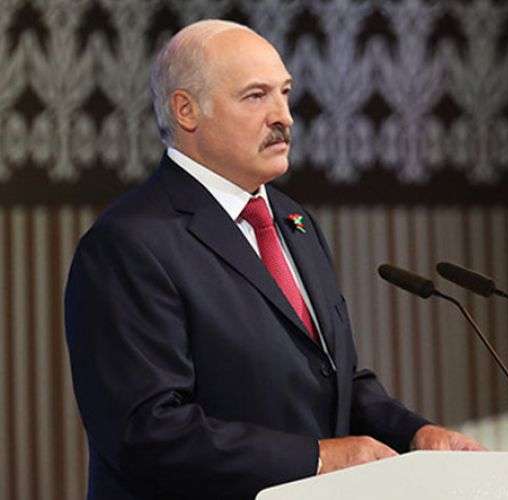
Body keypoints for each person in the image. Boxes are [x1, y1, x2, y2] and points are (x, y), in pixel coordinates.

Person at [64, 19, 482, 500]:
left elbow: (332, 379)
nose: (283, 116)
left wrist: (416, 435)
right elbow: (146, 432)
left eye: (284, 93)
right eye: (255, 96)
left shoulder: (292, 220)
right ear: (186, 110)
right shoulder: (129, 242)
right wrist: (316, 458)